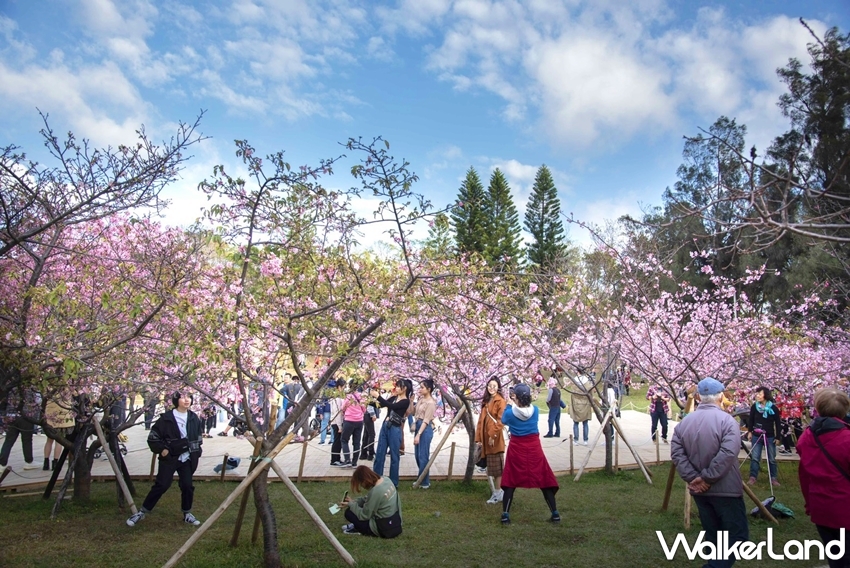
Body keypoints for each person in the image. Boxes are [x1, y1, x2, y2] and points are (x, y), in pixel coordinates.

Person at [670, 377, 748, 568]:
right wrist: (706, 477)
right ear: (720, 396)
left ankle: (715, 562)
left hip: (700, 491)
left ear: (698, 397)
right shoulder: (728, 422)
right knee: (736, 537)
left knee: (714, 534)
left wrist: (693, 478)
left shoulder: (684, 424)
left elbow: (677, 453)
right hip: (725, 489)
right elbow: (728, 454)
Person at [126, 391, 203, 527]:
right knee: (162, 485)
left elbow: (198, 438)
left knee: (187, 486)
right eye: (183, 397)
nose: (187, 400)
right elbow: (153, 438)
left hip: (187, 458)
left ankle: (187, 513)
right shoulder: (166, 418)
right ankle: (142, 511)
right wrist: (162, 450)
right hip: (170, 458)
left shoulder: (193, 418)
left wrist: (195, 452)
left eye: (189, 397)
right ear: (175, 400)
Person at [797, 388, 850, 568]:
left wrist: (808, 503)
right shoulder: (846, 439)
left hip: (820, 505)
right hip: (845, 507)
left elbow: (804, 475)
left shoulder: (806, 438)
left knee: (835, 555)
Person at [500, 383, 560, 525]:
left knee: (510, 480)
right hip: (534, 448)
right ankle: (555, 513)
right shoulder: (537, 410)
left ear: (516, 398)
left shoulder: (510, 413)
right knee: (544, 479)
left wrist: (509, 404)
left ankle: (505, 515)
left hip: (517, 449)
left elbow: (503, 420)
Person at [340, 465, 402, 538]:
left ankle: (359, 528)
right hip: (396, 522)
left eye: (360, 484)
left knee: (349, 513)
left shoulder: (376, 491)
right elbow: (368, 499)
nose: (362, 486)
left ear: (364, 480)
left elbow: (364, 515)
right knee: (358, 508)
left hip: (383, 528)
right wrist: (354, 501)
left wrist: (351, 505)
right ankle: (357, 526)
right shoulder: (386, 480)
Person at [371, 379, 412, 487]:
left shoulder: (405, 401)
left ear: (405, 389)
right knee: (380, 453)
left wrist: (378, 396)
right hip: (385, 426)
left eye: (399, 386)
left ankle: (393, 483)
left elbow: (393, 407)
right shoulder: (394, 397)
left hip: (395, 429)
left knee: (394, 456)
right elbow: (381, 405)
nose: (396, 388)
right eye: (396, 386)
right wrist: (367, 401)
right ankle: (376, 480)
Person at [476, 376, 507, 504]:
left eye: (494, 386)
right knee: (491, 468)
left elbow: (501, 421)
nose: (491, 388)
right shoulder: (486, 401)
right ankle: (498, 492)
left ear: (498, 387)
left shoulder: (500, 401)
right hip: (485, 439)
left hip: (494, 440)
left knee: (497, 469)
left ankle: (498, 492)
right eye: (489, 386)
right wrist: (478, 438)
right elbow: (480, 421)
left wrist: (492, 435)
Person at [747, 386, 782, 487]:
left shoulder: (773, 408)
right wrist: (750, 431)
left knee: (771, 458)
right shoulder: (754, 407)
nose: (757, 396)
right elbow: (751, 420)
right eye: (757, 394)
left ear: (765, 395)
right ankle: (753, 477)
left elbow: (778, 423)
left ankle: (773, 477)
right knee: (755, 457)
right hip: (756, 435)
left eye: (760, 394)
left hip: (769, 436)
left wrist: (777, 437)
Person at [412, 379, 437, 489]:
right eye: (420, 387)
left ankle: (424, 481)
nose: (420, 389)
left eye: (422, 387)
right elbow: (414, 412)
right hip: (418, 425)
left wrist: (419, 434)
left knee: (423, 455)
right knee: (417, 455)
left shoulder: (431, 403)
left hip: (425, 429)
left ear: (429, 389)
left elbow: (426, 420)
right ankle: (422, 478)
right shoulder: (421, 400)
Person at [43, 393, 75, 471]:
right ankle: (55, 462)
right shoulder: (66, 388)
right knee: (59, 442)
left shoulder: (49, 387)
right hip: (63, 417)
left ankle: (46, 462)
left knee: (49, 441)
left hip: (50, 417)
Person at [340, 384, 365, 468]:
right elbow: (364, 409)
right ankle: (354, 462)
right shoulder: (361, 397)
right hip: (359, 421)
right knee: (357, 442)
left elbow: (343, 408)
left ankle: (347, 460)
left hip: (349, 420)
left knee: (344, 440)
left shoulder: (348, 397)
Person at [569, 372, 593, 446]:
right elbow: (591, 393)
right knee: (585, 423)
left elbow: (572, 393)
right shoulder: (587, 383)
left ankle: (576, 440)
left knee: (576, 423)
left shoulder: (574, 382)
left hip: (576, 403)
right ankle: (585, 440)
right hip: (585, 403)